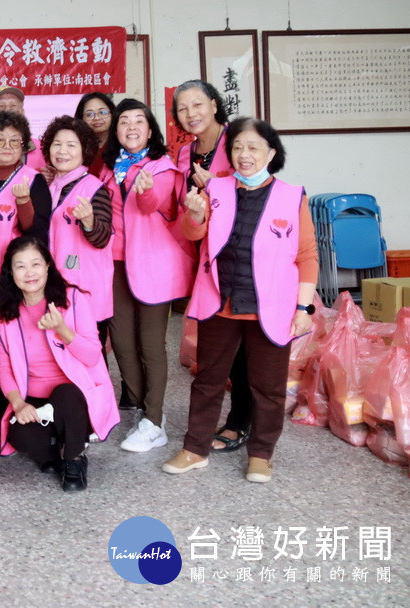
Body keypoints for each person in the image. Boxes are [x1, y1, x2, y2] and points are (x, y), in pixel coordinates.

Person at [163, 118, 318, 484]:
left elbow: (307, 256)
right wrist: (195, 214)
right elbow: (193, 234)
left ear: (271, 153)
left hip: (271, 306)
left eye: (253, 147)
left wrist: (303, 308)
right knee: (208, 380)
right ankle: (195, 449)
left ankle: (261, 454)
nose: (244, 155)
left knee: (268, 388)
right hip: (220, 301)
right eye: (237, 147)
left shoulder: (292, 196)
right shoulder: (216, 188)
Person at [101, 99, 194, 453]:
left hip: (153, 267)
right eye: (124, 121)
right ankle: (146, 409)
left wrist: (145, 190)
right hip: (115, 265)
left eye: (138, 121)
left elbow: (154, 204)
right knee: (122, 344)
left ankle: (154, 420)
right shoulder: (109, 170)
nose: (131, 127)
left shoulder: (163, 168)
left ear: (150, 129)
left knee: (151, 344)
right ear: (116, 131)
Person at [0, 236, 118, 491]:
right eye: (20, 266)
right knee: (20, 436)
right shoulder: (4, 313)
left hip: (74, 396)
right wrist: (18, 404)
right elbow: (2, 366)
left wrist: (62, 329)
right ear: (10, 272)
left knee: (66, 395)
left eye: (36, 264)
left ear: (48, 265)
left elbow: (92, 356)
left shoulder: (73, 299)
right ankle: (56, 450)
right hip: (35, 398)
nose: (29, 273)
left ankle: (74, 459)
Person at [173, 79, 250, 453]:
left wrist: (216, 185)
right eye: (183, 108)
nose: (191, 113)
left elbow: (257, 189)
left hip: (240, 253)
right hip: (204, 255)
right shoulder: (185, 153)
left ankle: (241, 421)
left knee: (243, 341)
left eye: (197, 104)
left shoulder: (238, 141)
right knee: (219, 342)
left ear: (215, 105)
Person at [0, 110, 51, 430]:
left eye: (15, 141)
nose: (6, 146)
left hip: (10, 279)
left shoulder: (32, 180)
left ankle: (12, 412)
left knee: (7, 347)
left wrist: (24, 202)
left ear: (24, 146)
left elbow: (37, 234)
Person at [40, 115, 114, 336]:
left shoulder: (94, 188)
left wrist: (89, 221)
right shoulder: (50, 187)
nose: (62, 151)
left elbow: (102, 238)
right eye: (57, 144)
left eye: (71, 145)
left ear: (85, 151)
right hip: (56, 285)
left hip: (85, 289)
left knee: (88, 348)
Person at [0, 86, 46, 171]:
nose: (7, 110)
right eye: (0, 106)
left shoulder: (43, 149)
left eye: (13, 106)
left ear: (23, 112)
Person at [74, 91, 116, 180]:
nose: (96, 118)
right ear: (81, 118)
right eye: (89, 114)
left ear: (112, 114)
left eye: (102, 112)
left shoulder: (122, 144)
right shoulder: (77, 146)